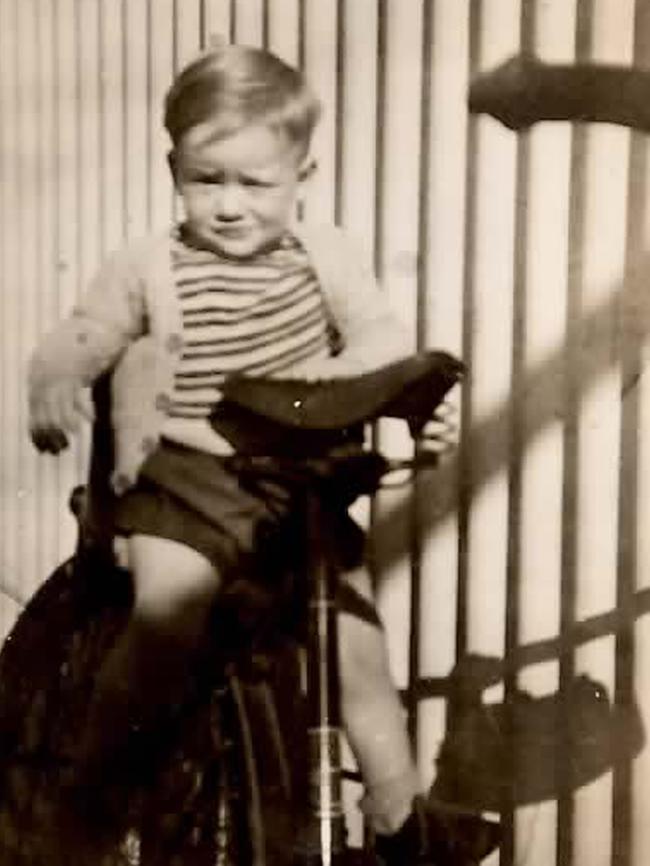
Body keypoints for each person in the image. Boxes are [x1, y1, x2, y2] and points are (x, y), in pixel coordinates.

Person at [28, 45, 498, 864]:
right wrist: (57, 374)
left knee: (357, 645)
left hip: (295, 482)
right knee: (166, 621)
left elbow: (382, 343)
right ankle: (86, 811)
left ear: (301, 173)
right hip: (188, 475)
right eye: (208, 180)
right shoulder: (150, 263)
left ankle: (399, 819)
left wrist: (407, 406)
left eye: (257, 183)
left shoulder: (328, 257)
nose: (232, 206)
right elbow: (90, 329)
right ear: (174, 167)